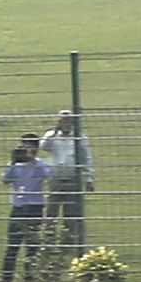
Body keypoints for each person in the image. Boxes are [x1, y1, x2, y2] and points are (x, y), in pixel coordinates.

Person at [40, 109, 94, 254]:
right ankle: (48, 244)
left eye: (69, 121)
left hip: (73, 180)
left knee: (71, 215)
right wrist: (55, 132)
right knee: (50, 213)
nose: (66, 125)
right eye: (63, 121)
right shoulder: (51, 136)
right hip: (55, 179)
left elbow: (86, 159)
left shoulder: (80, 138)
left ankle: (66, 247)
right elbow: (43, 146)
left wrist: (89, 179)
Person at [0, 144, 51, 282]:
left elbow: (46, 175)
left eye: (31, 148)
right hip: (18, 208)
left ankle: (29, 278)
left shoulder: (41, 164)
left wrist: (32, 161)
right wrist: (13, 163)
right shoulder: (15, 165)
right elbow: (5, 180)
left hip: (35, 207)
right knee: (12, 246)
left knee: (32, 246)